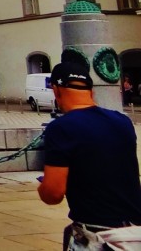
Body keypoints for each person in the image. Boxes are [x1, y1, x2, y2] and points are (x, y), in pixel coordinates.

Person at [37, 57, 141, 249]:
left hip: (98, 236)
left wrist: (44, 187)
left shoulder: (61, 128)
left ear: (56, 90)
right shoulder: (122, 122)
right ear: (91, 91)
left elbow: (53, 193)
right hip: (134, 233)